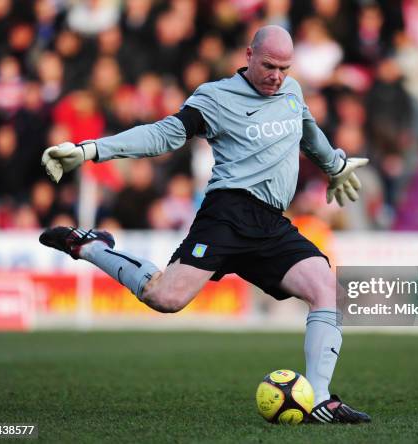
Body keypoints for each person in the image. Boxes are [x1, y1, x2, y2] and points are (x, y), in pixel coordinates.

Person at [39, 25, 370, 424]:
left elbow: (308, 131)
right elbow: (162, 136)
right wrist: (92, 149)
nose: (277, 76)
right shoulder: (215, 98)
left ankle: (319, 400)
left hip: (271, 223)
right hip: (227, 214)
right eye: (268, 66)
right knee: (165, 298)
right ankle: (91, 246)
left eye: (284, 68)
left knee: (326, 290)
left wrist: (334, 165)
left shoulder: (292, 92)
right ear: (248, 55)